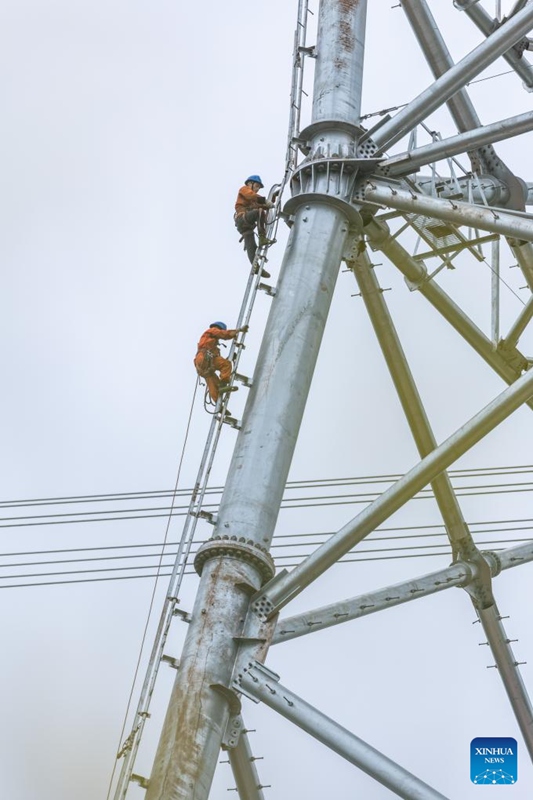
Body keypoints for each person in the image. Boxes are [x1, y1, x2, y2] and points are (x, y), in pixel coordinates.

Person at [194, 321, 248, 403]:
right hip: (204, 358)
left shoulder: (211, 346)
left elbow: (217, 360)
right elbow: (224, 334)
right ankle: (223, 384)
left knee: (213, 382)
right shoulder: (212, 330)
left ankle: (218, 403)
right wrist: (238, 330)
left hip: (201, 362)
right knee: (226, 364)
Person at [234, 175, 275, 274]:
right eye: (256, 186)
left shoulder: (253, 201)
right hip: (242, 219)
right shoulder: (244, 189)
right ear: (250, 184)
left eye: (258, 188)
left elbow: (263, 205)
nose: (257, 189)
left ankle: (255, 267)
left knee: (251, 245)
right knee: (258, 212)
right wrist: (265, 200)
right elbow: (252, 195)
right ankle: (262, 237)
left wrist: (271, 201)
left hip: (245, 225)